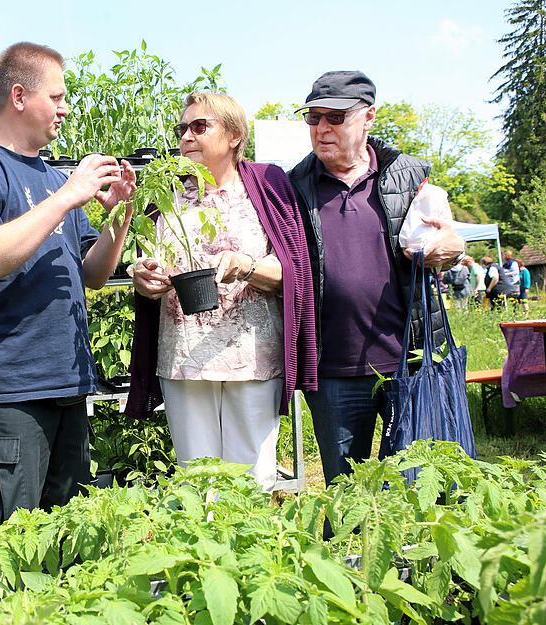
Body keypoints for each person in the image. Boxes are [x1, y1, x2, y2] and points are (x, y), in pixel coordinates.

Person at [0, 42, 136, 541]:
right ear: (20, 96)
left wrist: (119, 214)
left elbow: (93, 273)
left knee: (66, 546)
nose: (65, 109)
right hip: (8, 392)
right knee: (5, 547)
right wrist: (68, 196)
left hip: (67, 384)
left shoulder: (53, 178)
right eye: (57, 97)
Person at [127, 92, 317, 492]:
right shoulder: (164, 196)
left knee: (254, 480)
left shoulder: (267, 185)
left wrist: (247, 266)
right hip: (185, 358)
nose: (187, 137)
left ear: (234, 135)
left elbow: (296, 270)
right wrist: (144, 279)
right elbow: (146, 266)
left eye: (200, 126)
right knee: (197, 480)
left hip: (252, 359)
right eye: (182, 129)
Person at [287, 71, 467, 486]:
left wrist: (453, 246)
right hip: (333, 370)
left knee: (417, 487)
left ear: (368, 117)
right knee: (345, 491)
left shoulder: (409, 176)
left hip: (410, 361)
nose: (322, 128)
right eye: (313, 118)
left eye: (335, 117)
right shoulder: (294, 186)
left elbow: (446, 236)